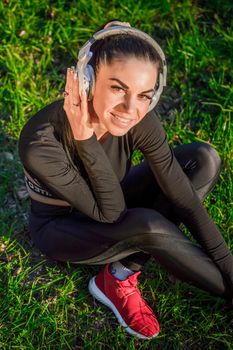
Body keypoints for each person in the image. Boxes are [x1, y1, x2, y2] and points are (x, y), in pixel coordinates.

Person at [18, 20, 233, 340]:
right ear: (87, 80)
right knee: (147, 224)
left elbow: (185, 199)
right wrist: (85, 139)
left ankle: (119, 273)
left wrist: (228, 268)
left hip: (111, 196)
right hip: (63, 228)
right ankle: (116, 282)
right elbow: (111, 214)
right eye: (118, 88)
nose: (131, 109)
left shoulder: (138, 118)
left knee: (202, 159)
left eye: (145, 95)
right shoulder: (40, 143)